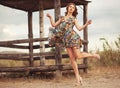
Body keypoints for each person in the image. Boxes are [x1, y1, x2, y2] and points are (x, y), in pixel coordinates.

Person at [46, 3, 100, 86]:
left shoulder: (74, 19)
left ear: (74, 10)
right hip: (66, 40)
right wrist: (50, 18)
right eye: (70, 7)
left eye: (73, 7)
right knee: (72, 60)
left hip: (73, 38)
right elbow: (54, 25)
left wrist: (86, 24)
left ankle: (92, 55)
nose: (71, 8)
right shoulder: (62, 18)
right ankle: (78, 79)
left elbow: (79, 28)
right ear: (67, 8)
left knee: (78, 56)